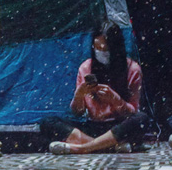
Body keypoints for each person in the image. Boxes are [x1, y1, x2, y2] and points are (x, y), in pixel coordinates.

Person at [43, 23, 151, 154]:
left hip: (117, 127)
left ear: (116, 47)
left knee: (141, 119)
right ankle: (108, 147)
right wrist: (79, 95)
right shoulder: (86, 67)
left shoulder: (132, 69)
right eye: (97, 48)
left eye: (105, 49)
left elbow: (133, 110)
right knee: (48, 122)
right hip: (93, 126)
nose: (101, 53)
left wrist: (115, 100)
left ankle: (83, 148)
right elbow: (77, 112)